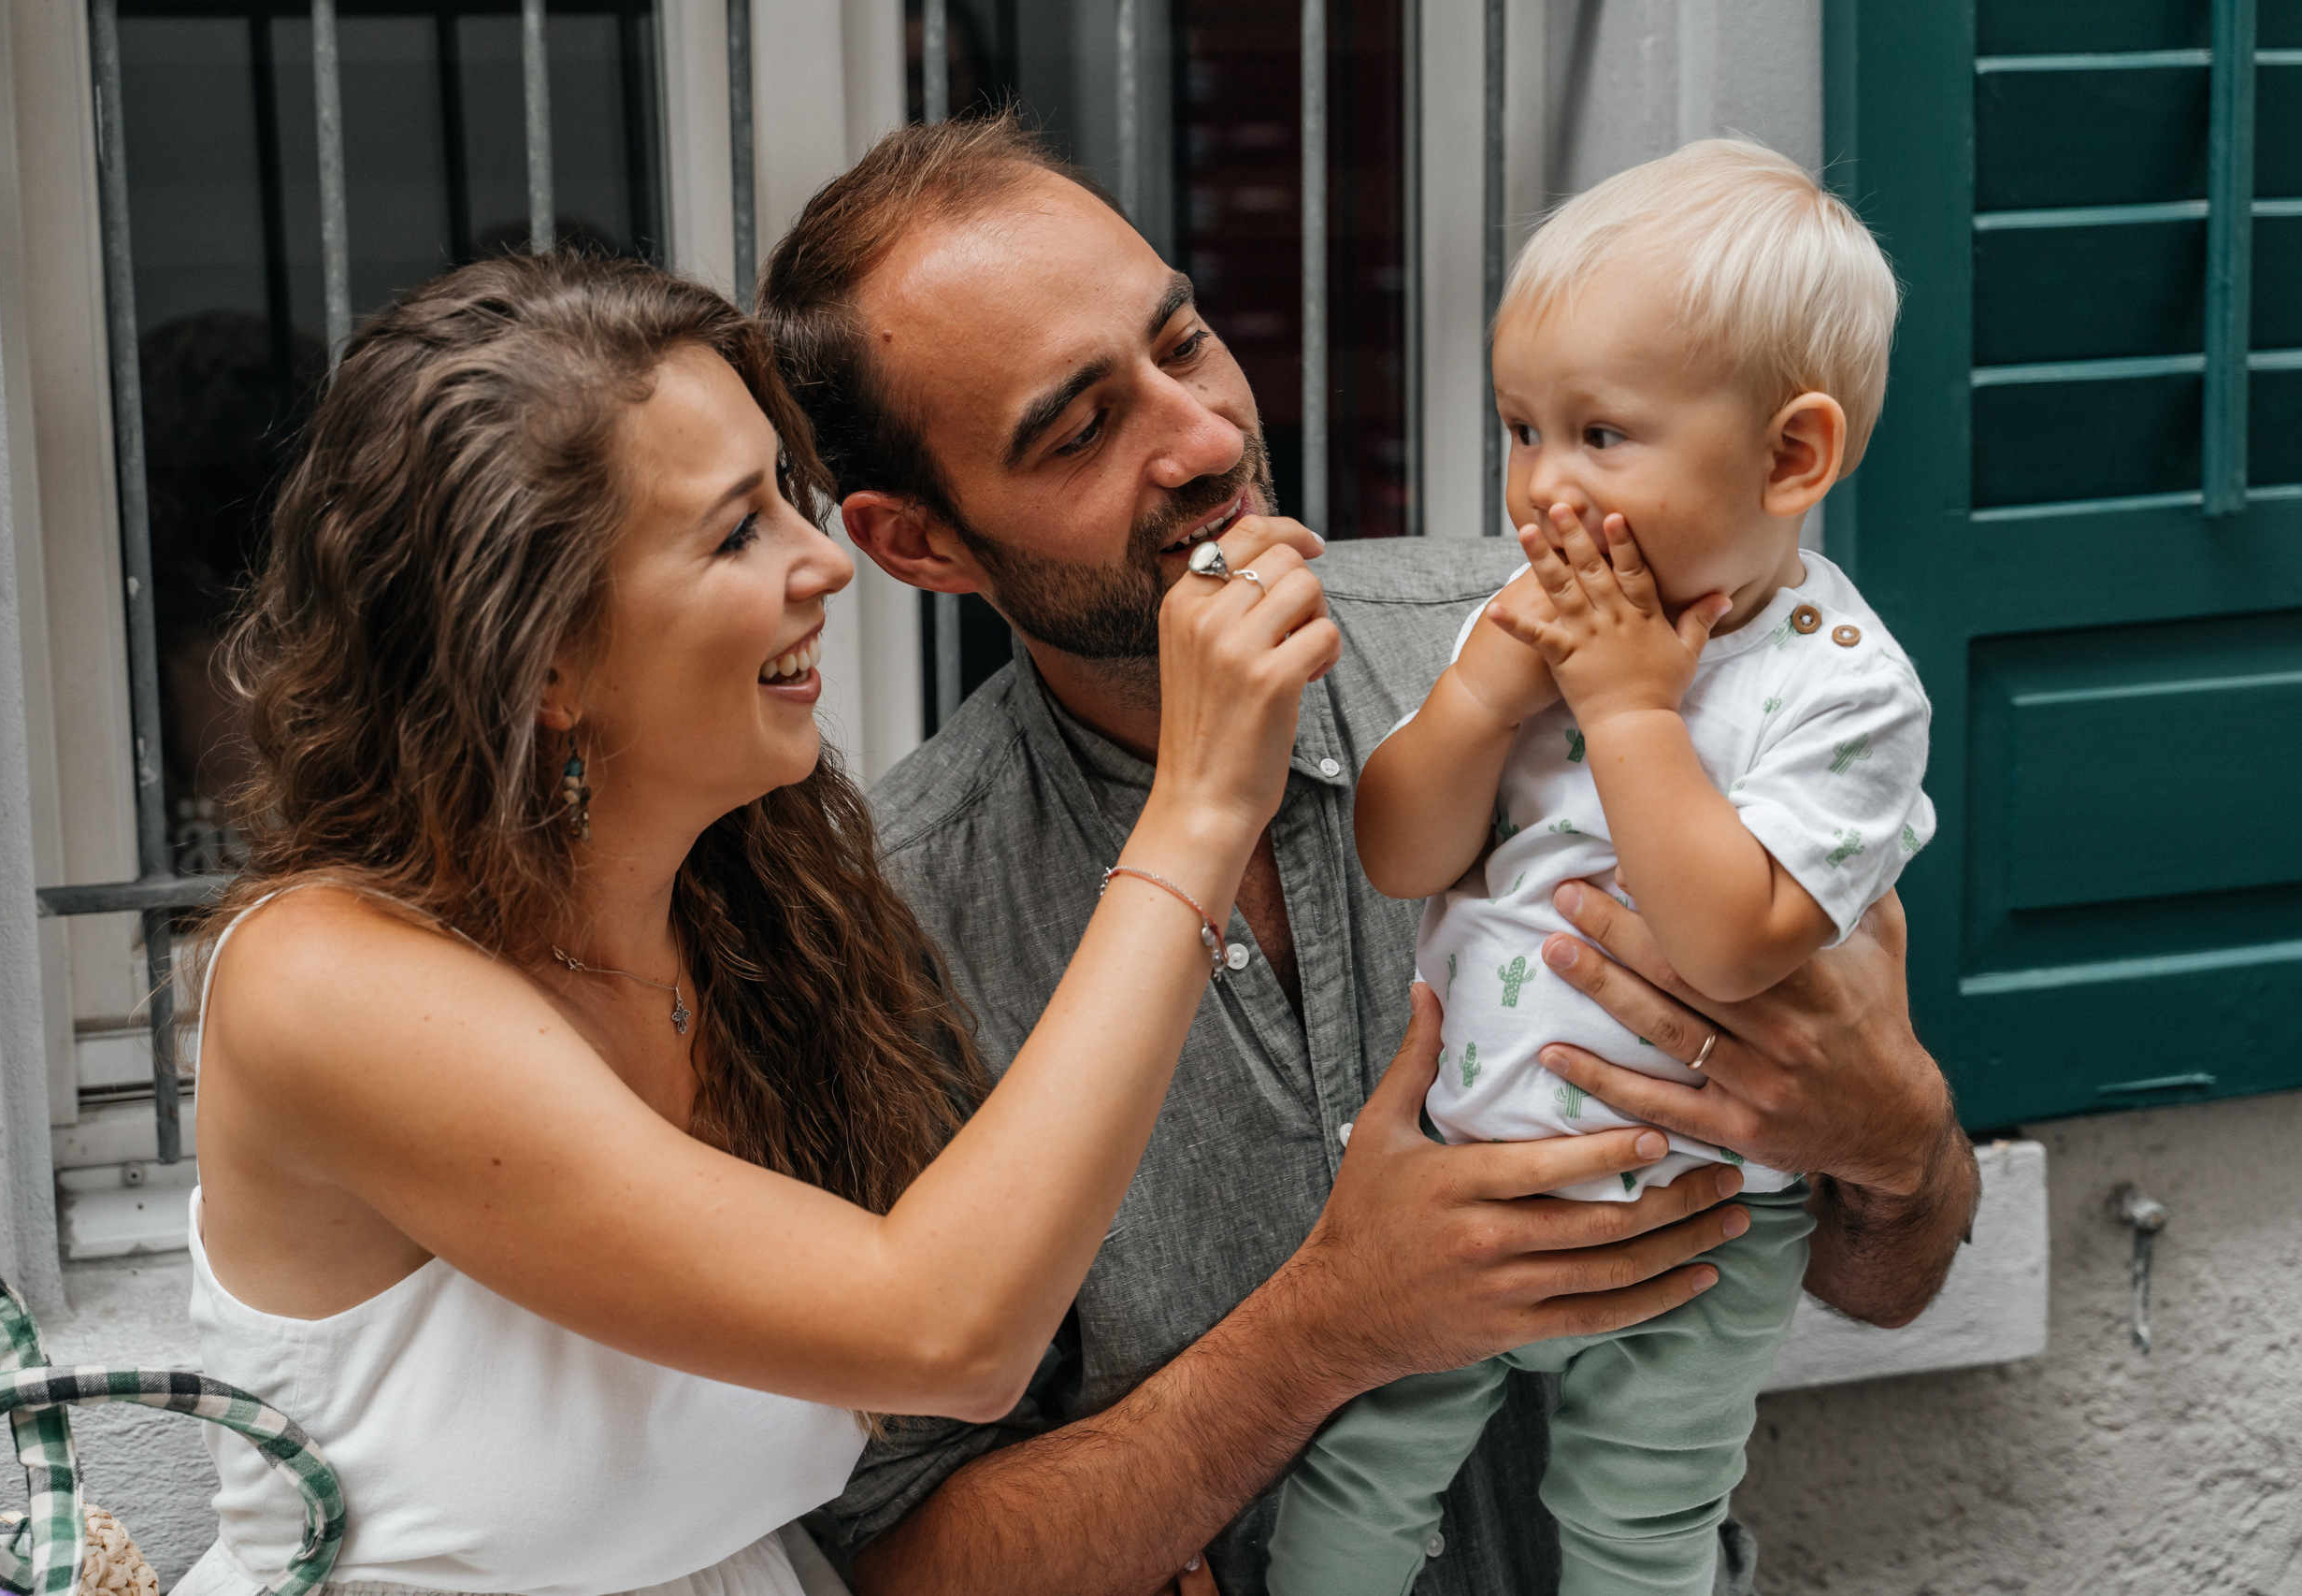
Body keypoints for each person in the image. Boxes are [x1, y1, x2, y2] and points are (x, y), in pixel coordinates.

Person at [757, 112, 1980, 1596]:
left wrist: (1897, 1146)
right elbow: (904, 1568)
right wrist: (1330, 1328)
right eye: (1081, 428)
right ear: (917, 546)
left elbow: (1888, 1272)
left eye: (1187, 343)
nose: (1206, 439)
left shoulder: (1598, 643)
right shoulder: (892, 933)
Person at [174, 251, 1344, 1596]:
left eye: (791, 497)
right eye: (738, 530)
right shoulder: (325, 983)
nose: (824, 562)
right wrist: (1197, 808)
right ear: (544, 658)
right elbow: (945, 1328)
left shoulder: (763, 924)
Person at [1270, 138, 1935, 1596]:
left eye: (1602, 436)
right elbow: (1404, 854)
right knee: (1359, 1477)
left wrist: (1630, 711)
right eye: (1521, 429)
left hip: (1702, 1226)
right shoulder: (1526, 630)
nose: (1541, 490)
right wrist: (1478, 704)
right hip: (1470, 1187)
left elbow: (1733, 946)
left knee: (1639, 1521)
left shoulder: (1839, 689)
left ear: (1791, 455)